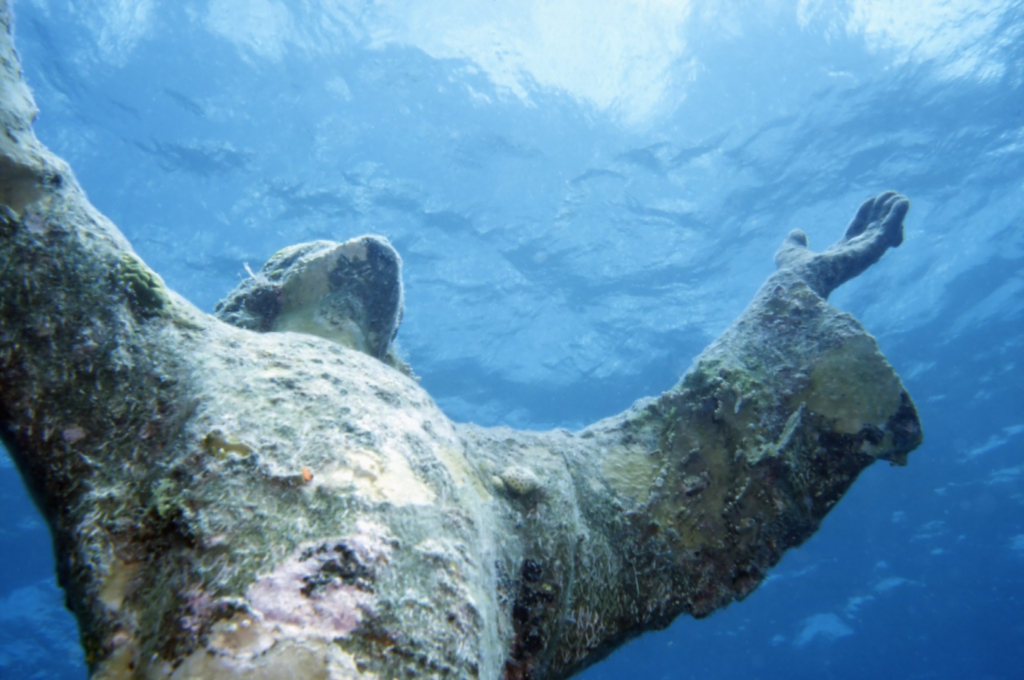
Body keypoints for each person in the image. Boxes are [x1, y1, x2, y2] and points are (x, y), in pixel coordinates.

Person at [0, 5, 920, 678]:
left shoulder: (496, 473)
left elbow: (681, 461)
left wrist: (789, 293)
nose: (342, 246)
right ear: (258, 297)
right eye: (299, 248)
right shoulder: (157, 351)